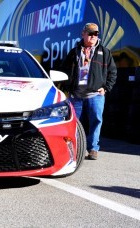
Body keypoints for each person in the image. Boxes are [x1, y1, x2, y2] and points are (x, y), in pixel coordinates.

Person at [61, 22, 117, 160]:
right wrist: (67, 88)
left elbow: (113, 72)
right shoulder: (74, 52)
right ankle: (74, 148)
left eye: (96, 34)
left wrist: (105, 88)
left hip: (95, 95)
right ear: (83, 34)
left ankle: (93, 149)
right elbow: (64, 71)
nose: (93, 36)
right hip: (76, 95)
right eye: (90, 33)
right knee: (73, 123)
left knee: (96, 121)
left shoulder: (104, 52)